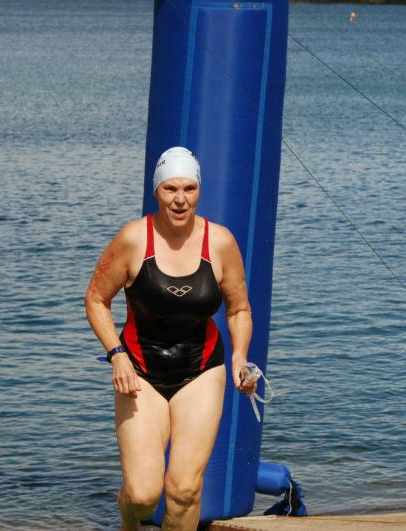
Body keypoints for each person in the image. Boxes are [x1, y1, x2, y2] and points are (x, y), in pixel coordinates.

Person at [85, 146, 255, 531]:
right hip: (139, 372)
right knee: (143, 495)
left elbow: (239, 309)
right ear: (156, 191)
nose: (180, 199)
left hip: (202, 370)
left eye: (189, 188)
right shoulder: (133, 239)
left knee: (184, 490)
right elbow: (95, 299)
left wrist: (240, 358)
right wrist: (116, 354)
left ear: (199, 190)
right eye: (171, 189)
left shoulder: (220, 242)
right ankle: (128, 517)